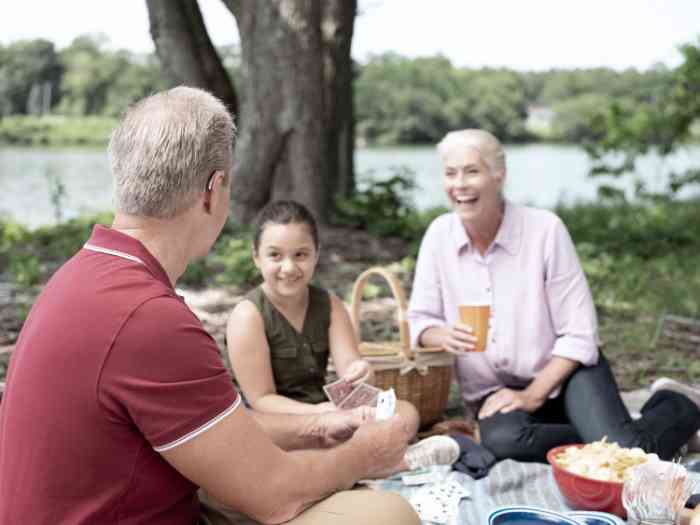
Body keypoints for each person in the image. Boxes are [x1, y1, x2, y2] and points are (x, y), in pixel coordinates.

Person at [0, 86, 421, 525]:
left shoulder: (80, 275)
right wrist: (366, 453)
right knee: (386, 514)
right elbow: (275, 496)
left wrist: (315, 426)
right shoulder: (150, 318)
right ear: (213, 190)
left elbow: (216, 430)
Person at [407, 128, 700, 463]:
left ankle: (678, 404)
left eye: (472, 171)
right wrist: (440, 333)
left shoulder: (545, 230)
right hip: (495, 390)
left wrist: (532, 395)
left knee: (629, 454)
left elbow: (580, 334)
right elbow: (420, 321)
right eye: (450, 173)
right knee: (503, 442)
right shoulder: (438, 236)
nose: (459, 184)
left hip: (567, 371)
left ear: (499, 175)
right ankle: (620, 431)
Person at [226, 199, 460, 473]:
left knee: (407, 412)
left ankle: (354, 461)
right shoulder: (248, 315)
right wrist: (321, 415)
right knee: (300, 437)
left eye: (300, 255)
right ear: (256, 257)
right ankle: (389, 463)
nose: (288, 267)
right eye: (275, 255)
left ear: (316, 254)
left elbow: (351, 368)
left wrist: (362, 372)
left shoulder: (330, 304)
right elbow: (262, 400)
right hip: (280, 422)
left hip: (328, 411)